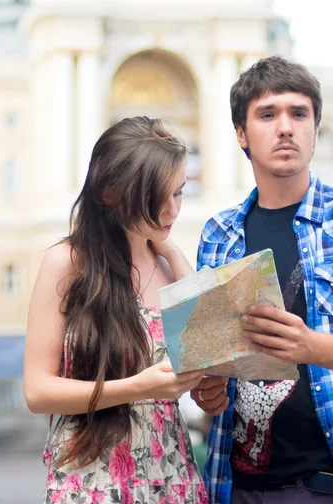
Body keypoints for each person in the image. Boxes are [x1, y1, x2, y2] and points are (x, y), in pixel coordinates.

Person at [192, 57, 333, 504]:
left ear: (315, 128)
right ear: (241, 133)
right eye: (268, 114)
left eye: (299, 113)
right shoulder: (218, 235)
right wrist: (208, 390)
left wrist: (308, 347)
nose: (286, 127)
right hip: (237, 486)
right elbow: (212, 367)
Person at [24, 117, 208, 504]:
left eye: (179, 193)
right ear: (111, 193)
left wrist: (174, 255)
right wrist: (138, 388)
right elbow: (38, 391)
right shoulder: (68, 263)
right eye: (159, 197)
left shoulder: (168, 263)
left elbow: (204, 350)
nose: (173, 209)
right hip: (92, 478)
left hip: (170, 474)